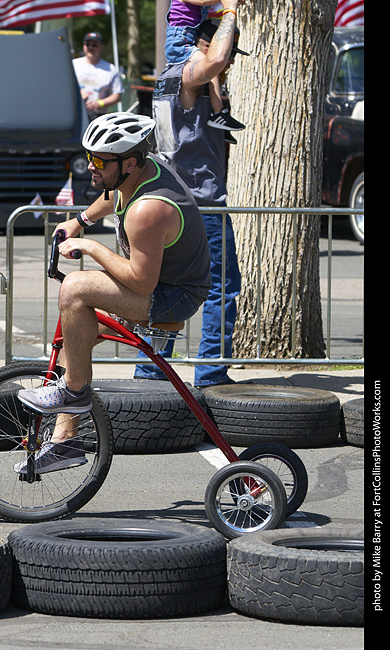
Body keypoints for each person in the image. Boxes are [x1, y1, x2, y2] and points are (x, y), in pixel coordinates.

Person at [15, 112, 211, 473]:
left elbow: (141, 281)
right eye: (90, 157)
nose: (91, 166)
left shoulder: (148, 209)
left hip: (173, 295)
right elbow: (112, 194)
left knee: (75, 288)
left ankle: (73, 391)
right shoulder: (137, 173)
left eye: (100, 161)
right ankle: (65, 442)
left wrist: (90, 246)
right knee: (74, 338)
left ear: (129, 163)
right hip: (158, 283)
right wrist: (80, 220)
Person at [145, 6, 246, 387]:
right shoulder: (190, 76)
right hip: (201, 205)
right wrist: (230, 11)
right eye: (228, 52)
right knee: (222, 288)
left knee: (167, 289)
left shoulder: (167, 77)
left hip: (170, 200)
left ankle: (151, 372)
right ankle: (210, 373)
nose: (229, 61)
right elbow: (214, 59)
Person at [165, 1, 248, 136]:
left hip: (188, 43)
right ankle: (218, 114)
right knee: (210, 69)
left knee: (209, 78)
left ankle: (220, 125)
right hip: (179, 45)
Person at [72, 32, 124, 121]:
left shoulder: (110, 68)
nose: (91, 47)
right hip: (75, 114)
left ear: (100, 47)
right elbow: (63, 86)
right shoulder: (73, 64)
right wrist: (78, 91)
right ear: (84, 46)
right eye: (87, 44)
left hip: (98, 117)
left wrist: (99, 103)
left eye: (94, 45)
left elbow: (117, 95)